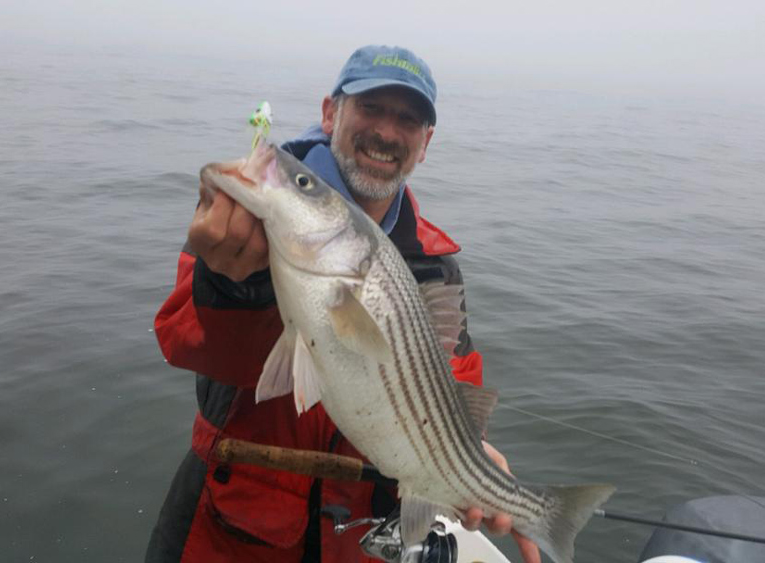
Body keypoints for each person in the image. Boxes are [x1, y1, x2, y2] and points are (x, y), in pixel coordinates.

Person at [146, 45, 540, 563]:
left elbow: (454, 381)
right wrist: (235, 284)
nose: (386, 132)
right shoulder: (249, 221)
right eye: (370, 108)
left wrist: (469, 451)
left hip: (357, 538)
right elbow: (186, 342)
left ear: (425, 144)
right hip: (227, 532)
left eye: (408, 119)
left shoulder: (434, 265)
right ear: (331, 112)